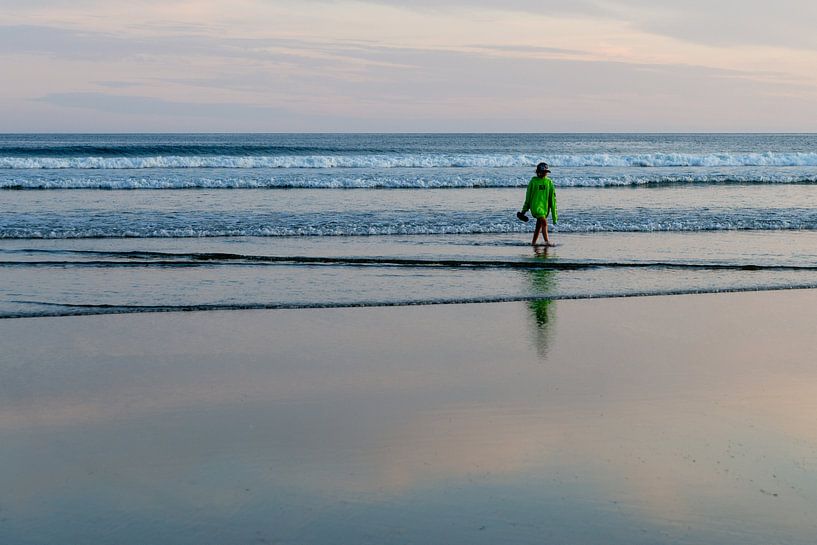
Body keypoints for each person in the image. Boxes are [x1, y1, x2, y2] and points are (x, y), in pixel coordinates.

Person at [519, 162, 558, 246]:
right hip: (536, 207)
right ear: (538, 172)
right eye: (543, 172)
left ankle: (533, 243)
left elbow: (552, 199)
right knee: (544, 222)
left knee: (538, 226)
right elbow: (528, 197)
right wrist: (524, 210)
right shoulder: (533, 182)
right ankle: (547, 242)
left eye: (546, 172)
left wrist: (554, 216)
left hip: (545, 208)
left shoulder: (549, 182)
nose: (544, 174)